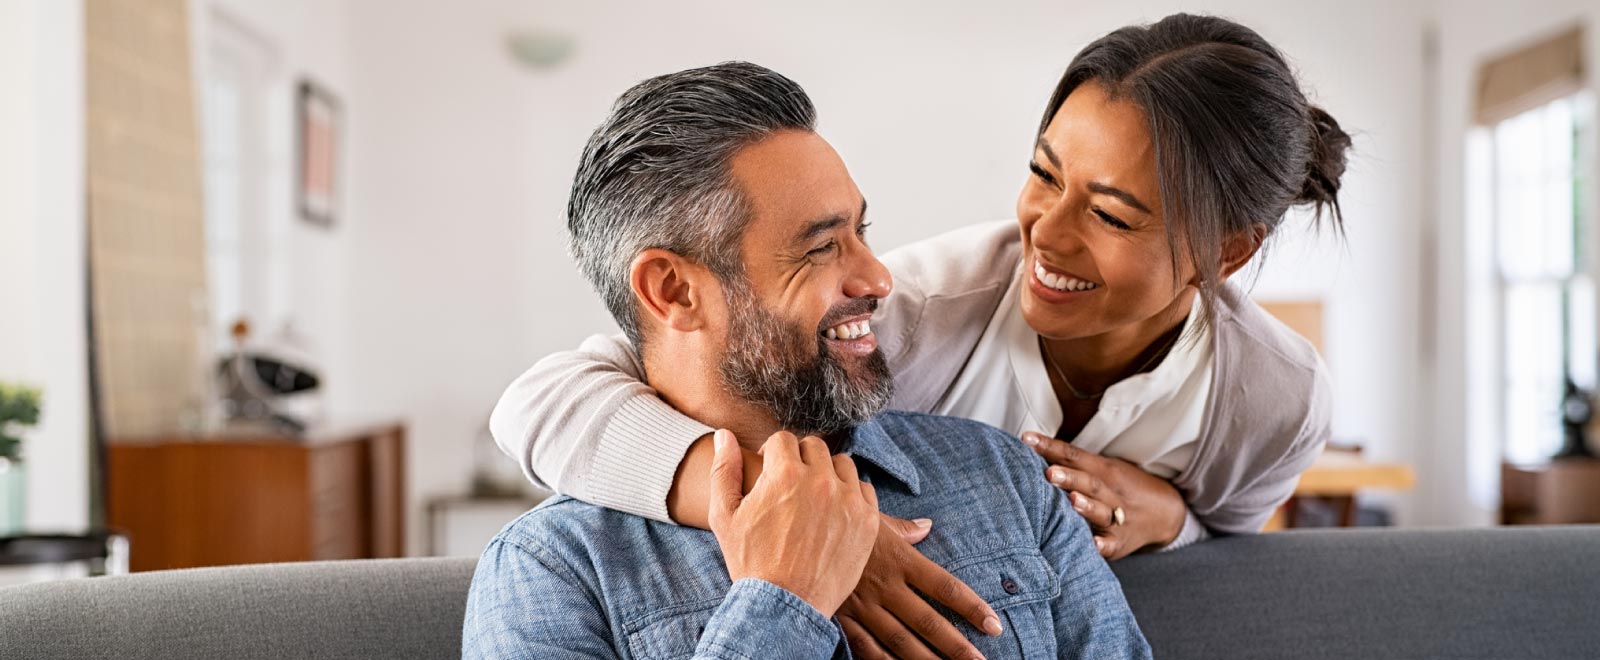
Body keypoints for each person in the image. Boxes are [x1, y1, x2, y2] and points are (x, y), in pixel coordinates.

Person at [492, 13, 1348, 660]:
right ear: (674, 287)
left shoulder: (1028, 475)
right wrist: (789, 544)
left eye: (1114, 214)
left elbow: (1224, 543)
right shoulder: (921, 312)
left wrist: (1173, 516)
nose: (1046, 236)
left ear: (1225, 254)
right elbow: (559, 395)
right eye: (1043, 175)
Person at [463, 61, 1150, 660]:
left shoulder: (1007, 479)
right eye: (821, 247)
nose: (879, 278)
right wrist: (779, 602)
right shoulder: (552, 571)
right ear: (673, 291)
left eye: (862, 231)